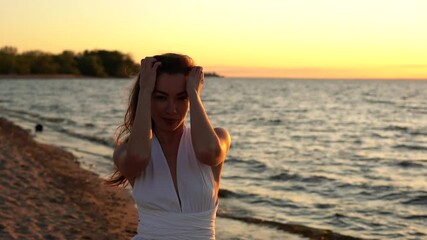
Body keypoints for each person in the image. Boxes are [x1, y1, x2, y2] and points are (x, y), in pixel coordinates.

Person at [108, 53, 231, 240]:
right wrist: (145, 90)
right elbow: (139, 157)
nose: (172, 109)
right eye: (161, 97)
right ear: (147, 98)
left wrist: (194, 95)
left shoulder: (218, 138)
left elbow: (209, 153)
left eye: (182, 98)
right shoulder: (125, 152)